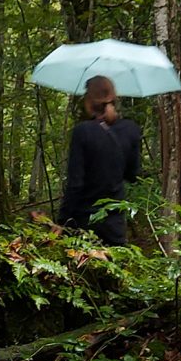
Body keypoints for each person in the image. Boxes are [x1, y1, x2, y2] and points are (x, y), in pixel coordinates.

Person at [57, 75, 129, 247]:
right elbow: (132, 173)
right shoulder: (127, 130)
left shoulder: (82, 132)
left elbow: (75, 183)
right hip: (115, 225)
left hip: (85, 224)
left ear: (89, 101)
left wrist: (62, 220)